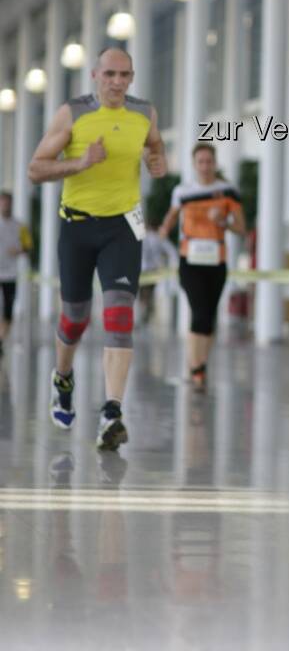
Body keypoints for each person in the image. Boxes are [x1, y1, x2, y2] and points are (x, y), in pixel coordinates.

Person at [28, 46, 167, 450]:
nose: (117, 83)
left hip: (123, 228)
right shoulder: (72, 113)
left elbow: (154, 145)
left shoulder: (145, 113)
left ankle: (111, 412)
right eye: (110, 75)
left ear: (132, 77)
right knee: (75, 318)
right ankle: (63, 378)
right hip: (77, 227)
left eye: (125, 75)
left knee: (120, 315)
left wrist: (157, 159)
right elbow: (36, 168)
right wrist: (80, 163)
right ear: (95, 75)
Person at [158, 142, 245, 391]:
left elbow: (241, 228)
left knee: (209, 317)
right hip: (190, 261)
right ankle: (195, 367)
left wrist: (224, 221)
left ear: (215, 164)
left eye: (209, 161)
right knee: (198, 313)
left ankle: (200, 366)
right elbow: (170, 218)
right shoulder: (183, 191)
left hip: (216, 261)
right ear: (194, 165)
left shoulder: (228, 192)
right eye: (201, 162)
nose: (205, 166)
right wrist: (162, 232)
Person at [0, 190, 31, 356]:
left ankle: (1, 340)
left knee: (8, 311)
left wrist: (18, 250)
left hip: (10, 274)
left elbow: (28, 247)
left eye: (7, 202)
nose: (5, 205)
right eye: (2, 202)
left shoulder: (20, 226)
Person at [139, 220, 178, 325]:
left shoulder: (140, 236)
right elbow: (172, 252)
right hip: (153, 272)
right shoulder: (159, 238)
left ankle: (143, 314)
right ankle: (145, 313)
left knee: (141, 294)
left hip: (140, 270)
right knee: (148, 294)